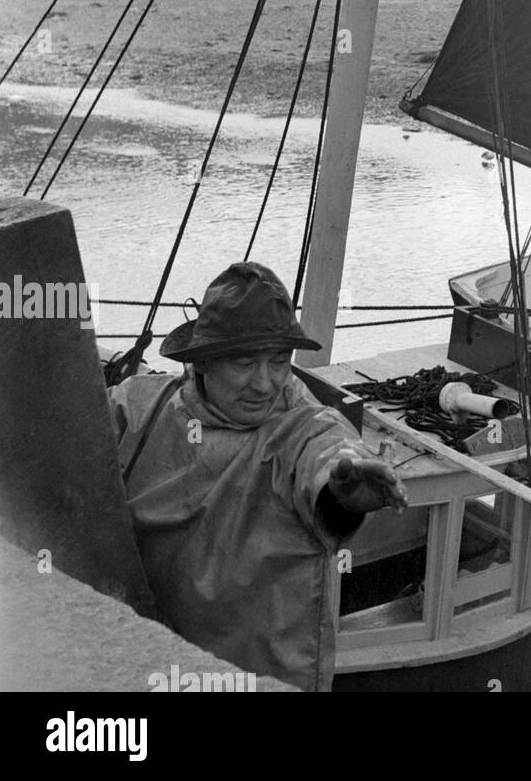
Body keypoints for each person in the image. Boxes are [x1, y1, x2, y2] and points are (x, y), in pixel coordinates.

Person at [109, 261, 407, 690]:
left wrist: (344, 493)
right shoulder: (140, 408)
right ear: (204, 363)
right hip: (148, 663)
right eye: (246, 362)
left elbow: (324, 454)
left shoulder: (301, 427)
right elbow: (59, 434)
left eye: (279, 361)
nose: (265, 384)